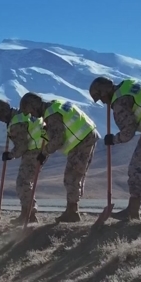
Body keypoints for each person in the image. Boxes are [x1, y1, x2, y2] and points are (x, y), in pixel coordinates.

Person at [88, 76, 141, 219]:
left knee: (137, 169)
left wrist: (113, 139)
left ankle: (132, 211)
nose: (104, 103)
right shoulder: (128, 84)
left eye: (101, 98)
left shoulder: (120, 102)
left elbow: (128, 132)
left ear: (104, 92)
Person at [19, 93, 99, 222]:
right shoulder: (55, 105)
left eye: (30, 111)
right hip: (86, 136)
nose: (31, 115)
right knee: (74, 176)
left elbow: (58, 140)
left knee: (71, 177)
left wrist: (44, 153)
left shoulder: (51, 114)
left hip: (81, 140)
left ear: (33, 105)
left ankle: (72, 212)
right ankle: (72, 210)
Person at [0, 99, 46, 224]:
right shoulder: (21, 114)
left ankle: (28, 214)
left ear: (3, 112)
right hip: (39, 148)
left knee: (23, 182)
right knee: (25, 181)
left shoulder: (16, 122)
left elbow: (22, 146)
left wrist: (10, 155)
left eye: (0, 117)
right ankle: (28, 213)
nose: (1, 120)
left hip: (34, 151)